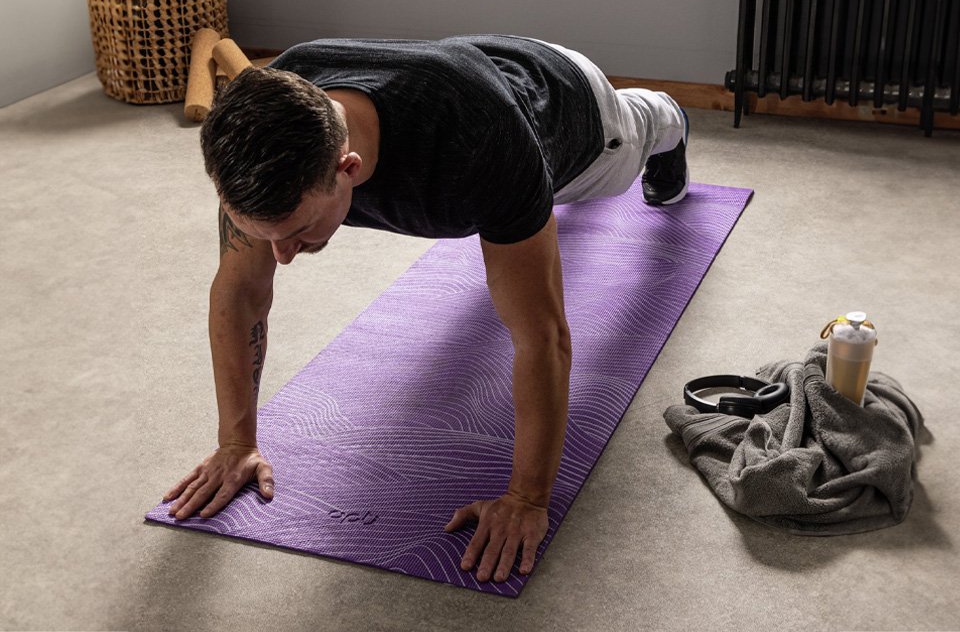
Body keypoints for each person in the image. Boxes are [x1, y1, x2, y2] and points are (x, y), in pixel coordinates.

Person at [162, 34, 688, 584]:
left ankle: (667, 118)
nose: (283, 256)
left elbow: (543, 336)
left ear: (348, 167)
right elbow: (241, 290)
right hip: (468, 70)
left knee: (632, 140)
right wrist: (236, 442)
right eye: (262, 234)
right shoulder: (269, 117)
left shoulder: (480, 144)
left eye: (297, 232)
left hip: (571, 109)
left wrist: (527, 498)